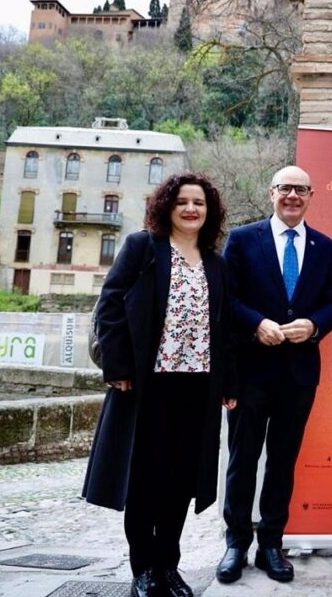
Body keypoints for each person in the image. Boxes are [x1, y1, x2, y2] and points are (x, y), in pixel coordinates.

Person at [82, 172, 238, 597]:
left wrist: (228, 382)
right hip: (146, 387)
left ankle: (169, 566)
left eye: (200, 203)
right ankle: (144, 571)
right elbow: (111, 304)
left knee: (179, 483)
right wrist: (117, 367)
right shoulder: (143, 248)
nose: (191, 209)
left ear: (210, 212)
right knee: (143, 481)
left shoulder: (216, 262)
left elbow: (224, 331)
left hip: (197, 389)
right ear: (167, 206)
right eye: (183, 201)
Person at [217, 165, 332, 584]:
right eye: (285, 188)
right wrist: (255, 323)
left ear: (311, 196)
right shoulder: (242, 239)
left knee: (283, 461)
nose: (292, 195)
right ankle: (236, 543)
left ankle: (271, 543)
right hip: (251, 371)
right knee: (243, 459)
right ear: (272, 193)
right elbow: (226, 298)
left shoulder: (327, 247)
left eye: (300, 190)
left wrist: (315, 325)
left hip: (299, 373)